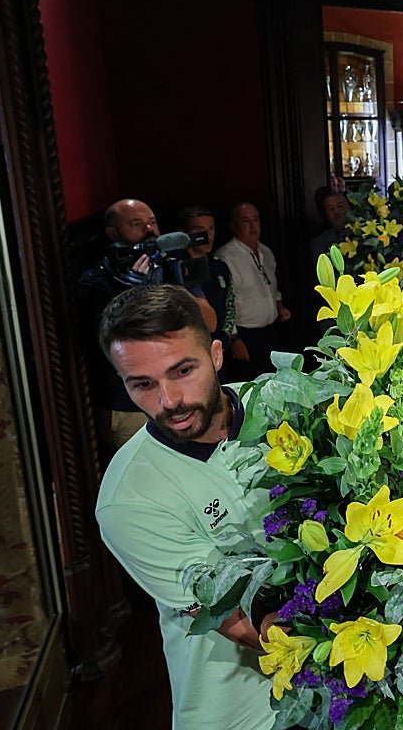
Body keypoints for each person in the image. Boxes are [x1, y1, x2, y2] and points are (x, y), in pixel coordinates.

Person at [94, 285, 275, 730]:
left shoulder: (281, 406)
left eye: (182, 370)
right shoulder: (128, 499)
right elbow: (241, 623)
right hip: (241, 712)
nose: (169, 401)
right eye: (143, 384)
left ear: (216, 354)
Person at [77, 199, 163, 450]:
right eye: (136, 224)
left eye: (153, 222)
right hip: (127, 403)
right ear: (113, 233)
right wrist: (135, 295)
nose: (149, 230)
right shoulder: (96, 281)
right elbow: (111, 343)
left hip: (169, 393)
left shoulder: (162, 267)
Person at [215, 202, 290, 381]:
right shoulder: (225, 257)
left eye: (256, 220)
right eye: (246, 221)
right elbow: (225, 302)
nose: (253, 225)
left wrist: (279, 306)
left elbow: (272, 287)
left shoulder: (266, 252)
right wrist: (234, 339)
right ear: (234, 226)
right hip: (245, 337)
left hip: (271, 331)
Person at [175, 206, 236, 378]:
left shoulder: (219, 267)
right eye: (199, 231)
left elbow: (230, 306)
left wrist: (224, 340)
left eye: (211, 229)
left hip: (220, 353)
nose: (208, 236)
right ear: (183, 234)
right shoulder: (177, 270)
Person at [308, 187, 350, 262]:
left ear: (349, 207)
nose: (336, 211)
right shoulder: (319, 242)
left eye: (340, 206)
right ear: (325, 214)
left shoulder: (363, 233)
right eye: (330, 209)